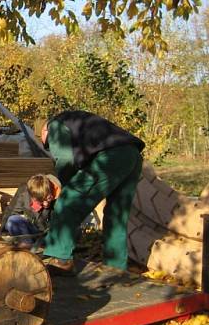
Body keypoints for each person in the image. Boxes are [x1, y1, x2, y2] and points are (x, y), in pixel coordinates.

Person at [40, 110, 144, 273]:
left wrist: (67, 189)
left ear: (44, 131)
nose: (48, 147)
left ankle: (61, 260)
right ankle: (116, 268)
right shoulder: (76, 122)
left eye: (46, 144)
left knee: (67, 203)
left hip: (111, 156)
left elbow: (65, 160)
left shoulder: (55, 125)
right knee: (116, 216)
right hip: (132, 155)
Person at [0, 174, 61, 247]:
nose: (46, 204)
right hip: (33, 232)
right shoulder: (24, 193)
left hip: (51, 235)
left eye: (48, 199)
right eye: (41, 201)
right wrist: (0, 234)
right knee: (13, 220)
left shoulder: (61, 195)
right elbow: (11, 212)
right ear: (33, 197)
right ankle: (28, 248)